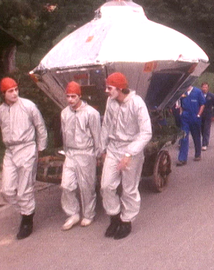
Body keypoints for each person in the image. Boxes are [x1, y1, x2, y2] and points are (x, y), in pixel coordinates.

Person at [100, 72, 152, 240]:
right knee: (106, 186)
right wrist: (103, 149)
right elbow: (106, 125)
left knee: (129, 189)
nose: (106, 91)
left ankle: (126, 221)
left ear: (120, 88)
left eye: (109, 88)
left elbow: (146, 133)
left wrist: (129, 153)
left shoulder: (137, 104)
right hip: (113, 148)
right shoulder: (110, 101)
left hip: (131, 149)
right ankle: (114, 218)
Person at [0, 77, 47, 240]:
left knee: (25, 188)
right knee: (7, 190)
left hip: (26, 148)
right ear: (3, 93)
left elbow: (40, 126)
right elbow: (2, 126)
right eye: (10, 91)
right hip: (10, 151)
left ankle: (27, 221)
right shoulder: (1, 111)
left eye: (16, 89)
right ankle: (27, 210)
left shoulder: (28, 106)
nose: (15, 93)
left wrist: (40, 148)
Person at [60, 81, 101, 231]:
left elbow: (97, 135)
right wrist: (65, 151)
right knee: (66, 185)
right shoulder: (64, 113)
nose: (70, 100)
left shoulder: (91, 113)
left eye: (73, 96)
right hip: (70, 153)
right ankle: (73, 213)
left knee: (86, 186)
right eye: (68, 96)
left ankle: (89, 214)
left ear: (80, 96)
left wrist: (98, 155)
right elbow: (64, 134)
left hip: (86, 153)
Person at [176, 84, 205, 166]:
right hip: (185, 118)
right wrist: (181, 113)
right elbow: (180, 105)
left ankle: (197, 154)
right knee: (184, 137)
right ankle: (182, 159)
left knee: (196, 136)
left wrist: (199, 115)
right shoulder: (182, 92)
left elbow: (202, 104)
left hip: (195, 117)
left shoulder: (198, 92)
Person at [200, 82, 214, 151]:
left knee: (206, 129)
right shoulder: (199, 95)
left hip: (208, 115)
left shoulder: (211, 96)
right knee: (201, 129)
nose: (204, 88)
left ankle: (205, 144)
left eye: (206, 87)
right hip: (201, 114)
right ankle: (204, 140)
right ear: (201, 88)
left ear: (208, 88)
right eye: (203, 87)